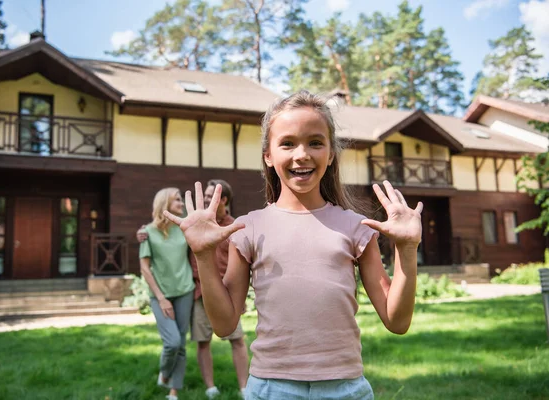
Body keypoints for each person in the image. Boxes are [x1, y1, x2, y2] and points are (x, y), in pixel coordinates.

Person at [164, 90, 423, 400]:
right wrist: (204, 257)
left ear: (330, 154)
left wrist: (406, 251)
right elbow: (224, 324)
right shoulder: (248, 228)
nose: (302, 154)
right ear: (268, 156)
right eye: (287, 143)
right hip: (272, 388)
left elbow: (397, 321)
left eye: (315, 142)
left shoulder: (356, 228)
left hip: (345, 389)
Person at [137, 180, 250, 399]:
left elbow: (240, 264)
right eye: (205, 197)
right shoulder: (181, 226)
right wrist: (142, 232)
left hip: (215, 294)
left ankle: (244, 388)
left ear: (223, 200)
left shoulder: (228, 227)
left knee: (233, 340)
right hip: (198, 292)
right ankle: (205, 386)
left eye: (210, 197)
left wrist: (240, 293)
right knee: (195, 342)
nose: (205, 201)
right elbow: (158, 242)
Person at [138, 188, 195, 400]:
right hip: (160, 294)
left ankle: (174, 390)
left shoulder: (184, 226)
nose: (181, 203)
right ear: (165, 204)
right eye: (177, 200)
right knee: (171, 343)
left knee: (180, 343)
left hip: (184, 291)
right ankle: (164, 373)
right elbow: (145, 268)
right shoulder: (147, 232)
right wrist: (161, 298)